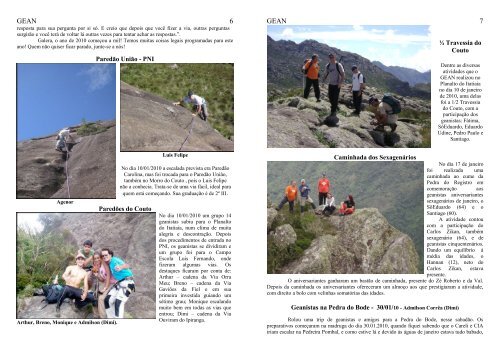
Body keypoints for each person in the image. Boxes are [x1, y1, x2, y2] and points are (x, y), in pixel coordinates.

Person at [102, 248, 135, 319]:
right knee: (107, 300)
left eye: (106, 255)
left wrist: (121, 267)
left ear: (110, 255)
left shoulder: (114, 260)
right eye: (103, 256)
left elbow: (127, 265)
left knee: (118, 302)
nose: (104, 257)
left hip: (127, 282)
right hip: (119, 283)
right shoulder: (109, 263)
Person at [89, 250, 115, 319]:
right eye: (95, 258)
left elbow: (108, 276)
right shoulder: (96, 266)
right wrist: (97, 275)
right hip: (103, 283)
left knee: (101, 298)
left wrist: (105, 288)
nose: (97, 259)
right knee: (94, 297)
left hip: (111, 283)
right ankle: (96, 315)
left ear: (100, 258)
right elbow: (102, 279)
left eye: (98, 258)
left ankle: (102, 317)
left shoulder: (104, 264)